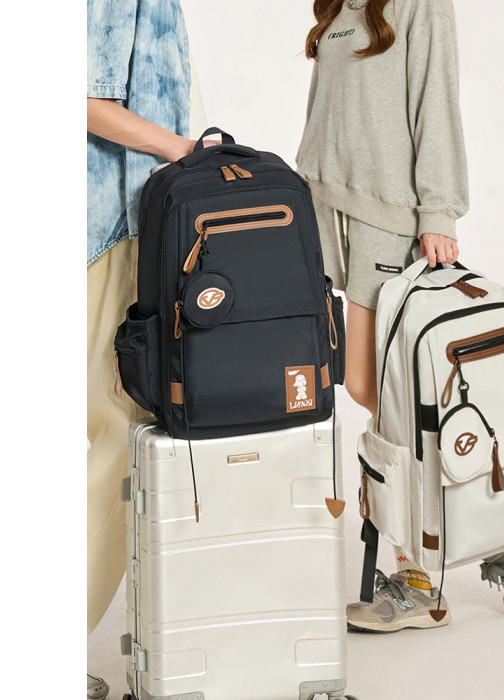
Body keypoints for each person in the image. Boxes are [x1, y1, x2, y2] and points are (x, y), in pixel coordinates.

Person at [297, 0, 504, 633]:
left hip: (388, 218)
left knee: (393, 400)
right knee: (374, 393)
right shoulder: (338, 8)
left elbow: (435, 100)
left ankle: (452, 563)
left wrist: (438, 211)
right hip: (333, 216)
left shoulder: (421, 4)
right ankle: (496, 542)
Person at [86, 1, 207, 696]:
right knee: (122, 428)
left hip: (126, 225)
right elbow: (83, 100)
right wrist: (182, 150)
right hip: (108, 229)